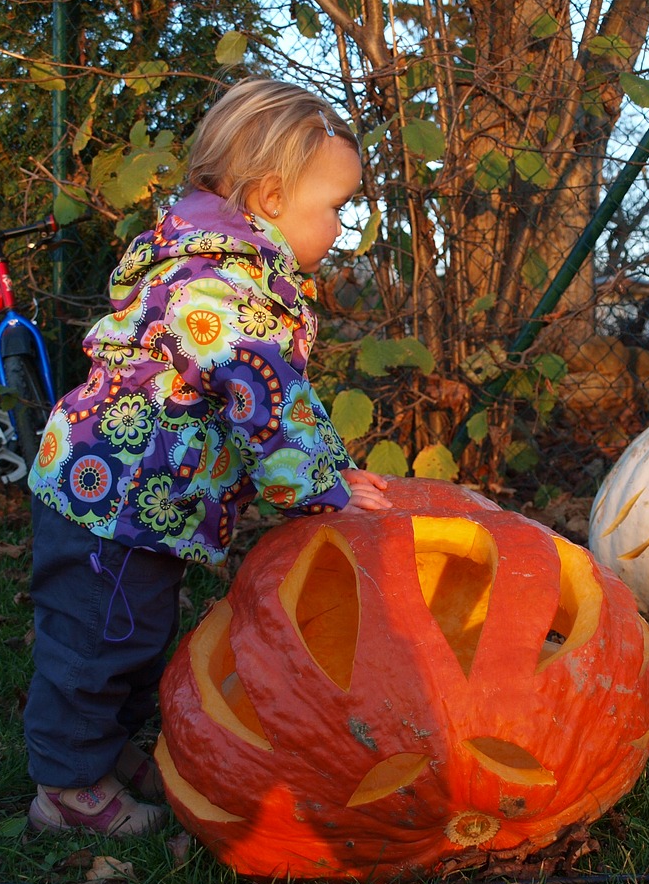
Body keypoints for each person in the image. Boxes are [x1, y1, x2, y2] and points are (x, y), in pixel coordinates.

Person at [23, 79, 392, 836]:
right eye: (336, 209)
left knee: (138, 630)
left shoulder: (219, 264)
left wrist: (336, 465)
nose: (342, 227)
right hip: (114, 503)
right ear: (268, 195)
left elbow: (285, 397)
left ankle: (100, 751)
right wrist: (323, 493)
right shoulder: (221, 287)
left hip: (138, 502)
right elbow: (267, 398)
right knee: (99, 642)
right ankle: (65, 787)